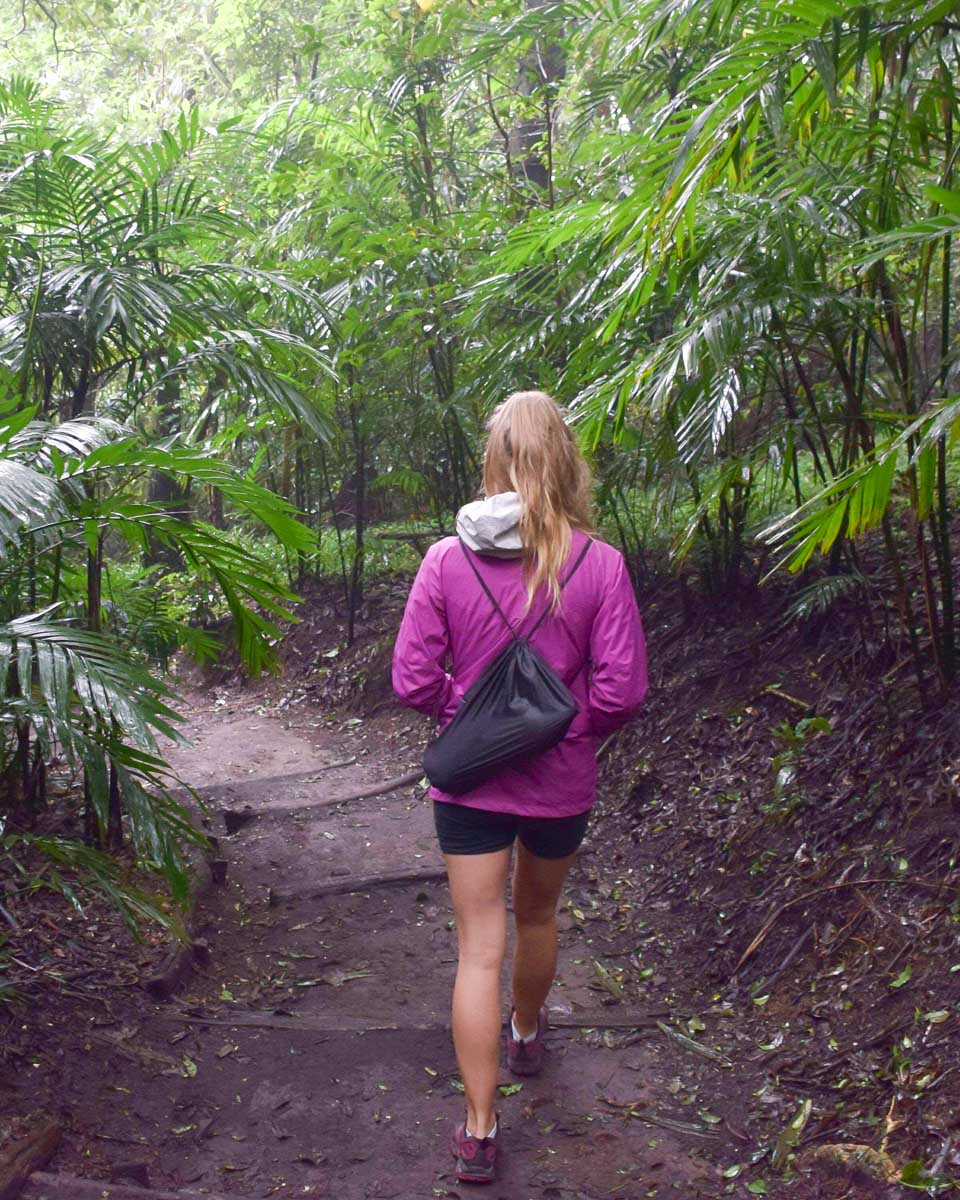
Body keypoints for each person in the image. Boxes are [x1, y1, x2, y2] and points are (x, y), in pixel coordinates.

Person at [392, 390, 647, 1185]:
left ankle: (478, 1127)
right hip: (560, 783)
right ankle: (528, 1032)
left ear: (494, 460)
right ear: (566, 461)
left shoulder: (447, 558)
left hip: (469, 782)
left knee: (477, 948)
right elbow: (622, 691)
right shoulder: (597, 563)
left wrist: (465, 712)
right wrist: (565, 729)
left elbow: (409, 678)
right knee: (537, 912)